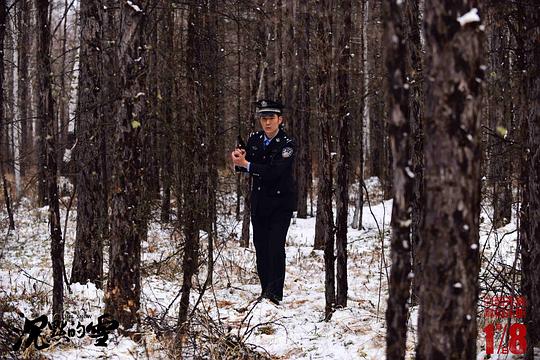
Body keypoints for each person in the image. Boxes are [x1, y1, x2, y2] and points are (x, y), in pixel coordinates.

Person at [231, 99, 297, 305]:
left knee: (275, 248)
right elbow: (244, 166)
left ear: (280, 120)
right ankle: (265, 292)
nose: (267, 123)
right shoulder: (255, 139)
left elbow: (275, 172)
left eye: (271, 118)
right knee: (261, 248)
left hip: (280, 203)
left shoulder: (287, 144)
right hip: (259, 202)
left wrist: (247, 163)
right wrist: (238, 158)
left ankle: (275, 295)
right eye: (264, 118)